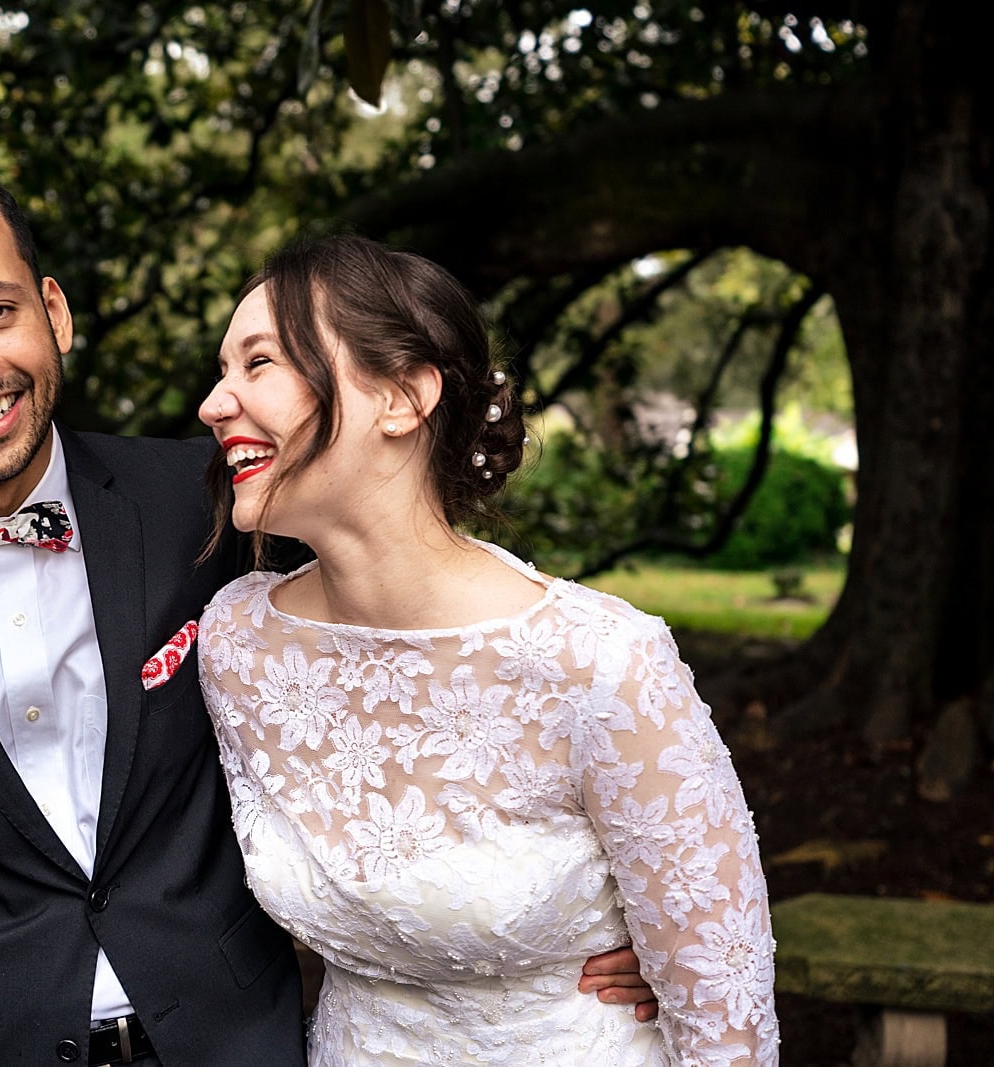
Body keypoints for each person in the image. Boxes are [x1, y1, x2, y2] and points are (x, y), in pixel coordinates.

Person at [0, 150, 655, 1066]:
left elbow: (428, 647)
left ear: (52, 312)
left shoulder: (209, 499)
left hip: (235, 1035)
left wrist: (604, 921)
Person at [192, 234, 779, 1065]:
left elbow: (728, 1022)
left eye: (260, 364)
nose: (216, 403)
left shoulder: (602, 664)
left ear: (402, 397)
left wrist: (679, 958)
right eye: (222, 371)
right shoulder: (238, 646)